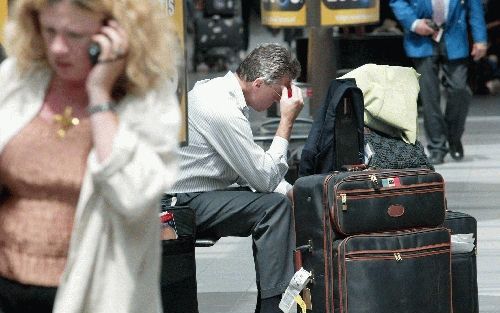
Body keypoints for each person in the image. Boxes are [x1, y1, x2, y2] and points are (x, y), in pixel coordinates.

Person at [0, 0, 180, 312]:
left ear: (116, 32)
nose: (58, 47)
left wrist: (99, 95)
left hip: (95, 293)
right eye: (49, 30)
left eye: (75, 35)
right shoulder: (18, 79)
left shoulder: (147, 99)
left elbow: (135, 195)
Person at [166, 43, 303, 313]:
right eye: (279, 93)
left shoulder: (222, 94)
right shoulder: (220, 107)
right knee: (274, 210)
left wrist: (290, 190)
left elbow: (248, 167)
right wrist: (286, 122)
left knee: (279, 200)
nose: (280, 101)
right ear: (259, 83)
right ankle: (276, 308)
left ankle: (276, 302)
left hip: (197, 193)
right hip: (180, 200)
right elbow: (263, 178)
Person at [390, 0, 488, 164]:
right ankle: (437, 146)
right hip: (421, 37)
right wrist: (413, 23)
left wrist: (481, 39)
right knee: (430, 97)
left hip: (454, 35)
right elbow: (397, 1)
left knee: (460, 89)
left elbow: (475, 7)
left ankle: (453, 137)